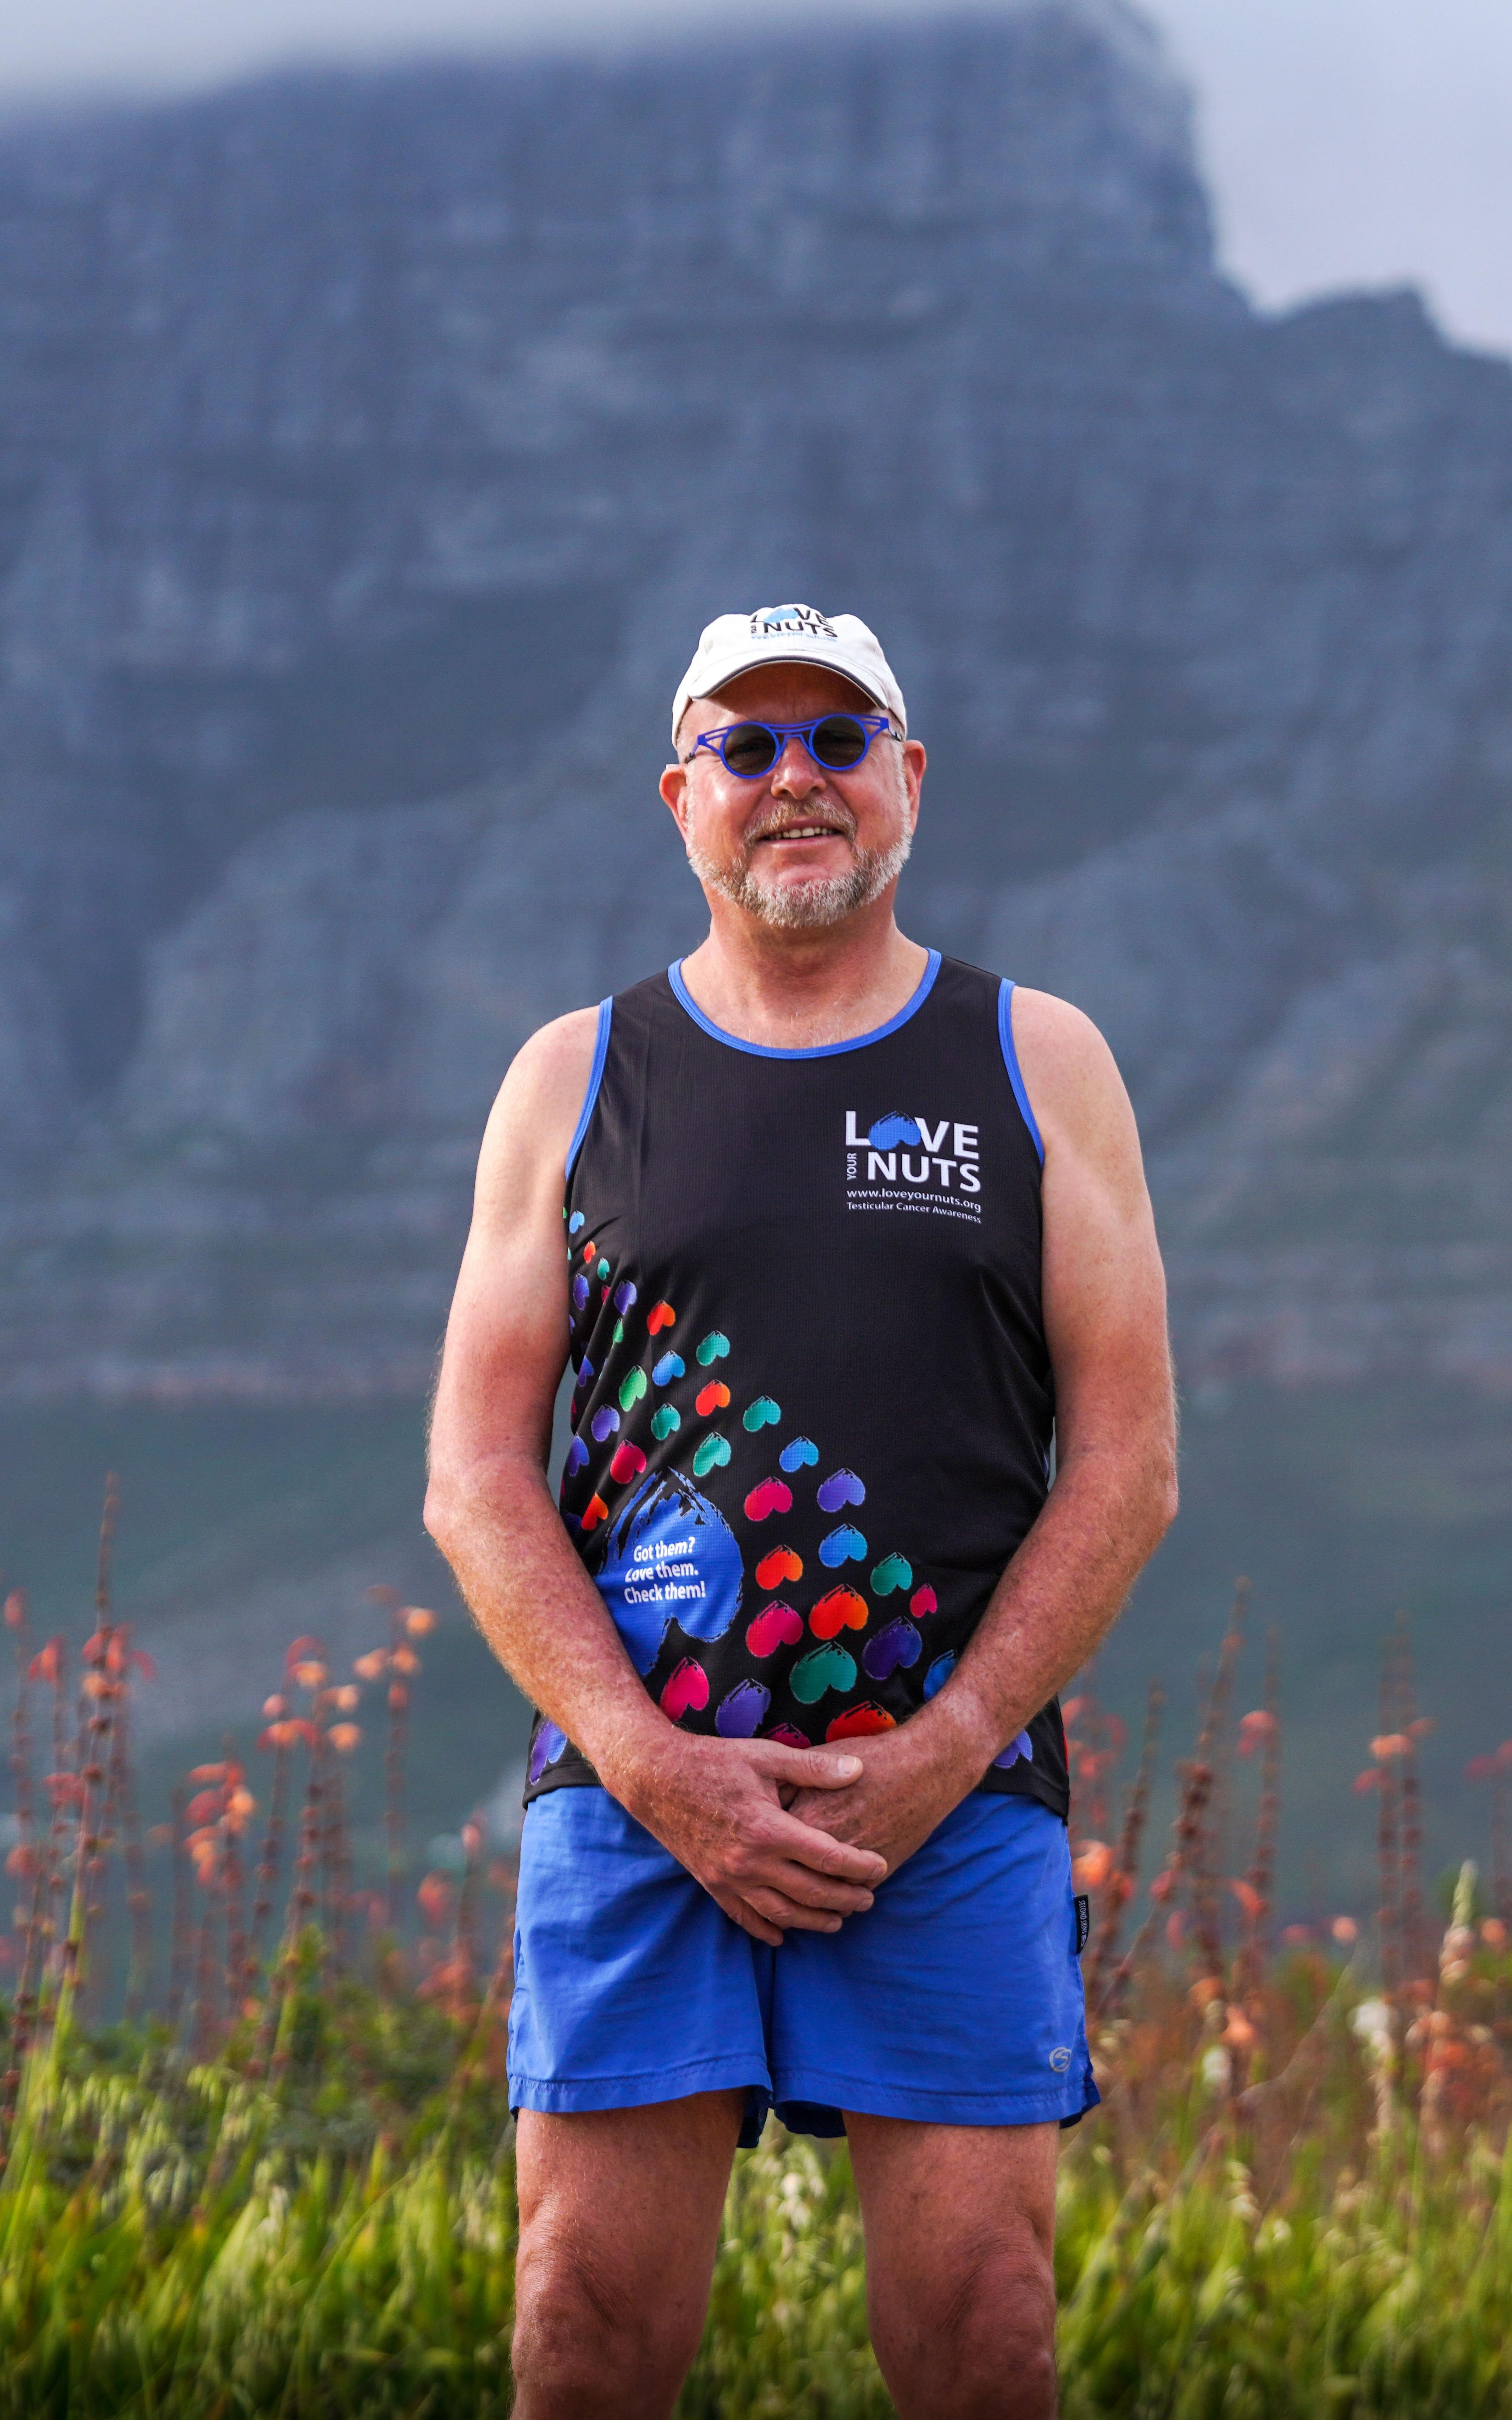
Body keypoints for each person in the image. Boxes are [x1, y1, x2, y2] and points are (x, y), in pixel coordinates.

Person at [424, 603, 1177, 2420]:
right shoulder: (572, 1078)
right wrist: (642, 1757)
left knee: (987, 2328)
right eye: (744, 746)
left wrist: (953, 1739)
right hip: (632, 1796)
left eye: (837, 741)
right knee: (582, 2322)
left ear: (905, 777)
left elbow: (1129, 1465)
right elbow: (474, 1476)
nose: (793, 781)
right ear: (678, 792)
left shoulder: (1035, 1062)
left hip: (953, 1794)